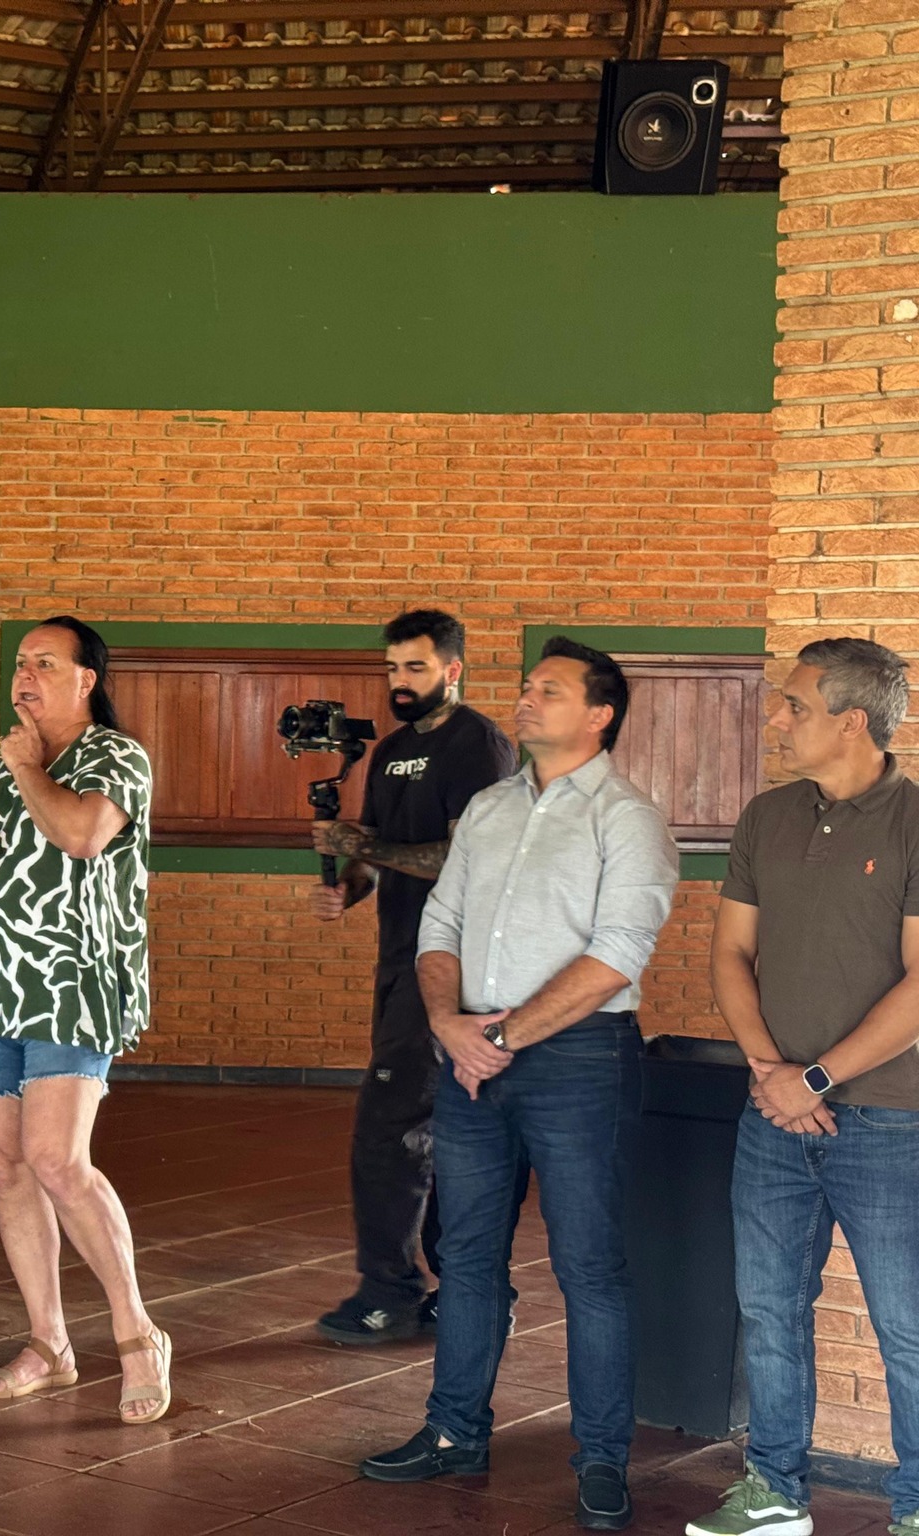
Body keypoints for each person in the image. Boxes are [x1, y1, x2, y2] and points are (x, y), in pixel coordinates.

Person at [359, 636, 678, 1533]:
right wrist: (450, 1025)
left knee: (588, 1268)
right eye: (528, 686)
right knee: (466, 1259)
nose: (527, 699)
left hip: (578, 1063)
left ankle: (603, 1459)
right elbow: (439, 926)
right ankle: (453, 1431)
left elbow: (618, 954)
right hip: (472, 1055)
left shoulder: (628, 818)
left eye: (550, 690)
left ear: (600, 714)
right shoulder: (490, 808)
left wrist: (497, 1035)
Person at [692, 639, 919, 1536]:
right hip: (773, 1117)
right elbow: (729, 953)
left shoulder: (916, 823)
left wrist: (815, 1077)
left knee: (907, 1324)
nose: (777, 719)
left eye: (795, 706)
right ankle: (776, 1492)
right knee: (770, 1310)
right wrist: (770, 1075)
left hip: (894, 1122)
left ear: (851, 721)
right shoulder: (768, 816)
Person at [0, 616, 169, 1425]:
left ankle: (137, 1334)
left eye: (44, 663)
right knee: (8, 1166)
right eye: (19, 664)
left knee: (57, 1159)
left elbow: (79, 834)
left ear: (85, 680)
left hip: (71, 988)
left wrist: (28, 769)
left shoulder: (116, 757)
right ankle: (50, 1343)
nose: (24, 676)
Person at [310, 609, 515, 1344]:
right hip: (398, 959)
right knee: (432, 1129)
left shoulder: (478, 745)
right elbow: (376, 854)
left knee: (389, 1127)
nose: (400, 682)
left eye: (416, 668)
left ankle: (388, 1291)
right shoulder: (392, 749)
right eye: (393, 668)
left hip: (455, 969)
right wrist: (349, 884)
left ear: (452, 670)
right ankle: (464, 1290)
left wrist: (362, 846)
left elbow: (468, 860)